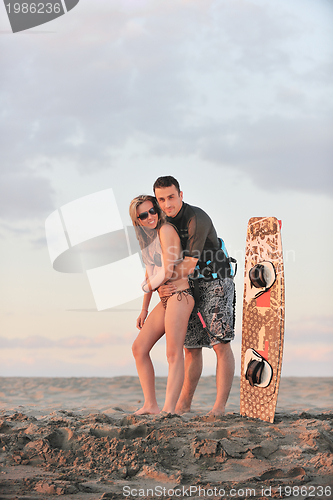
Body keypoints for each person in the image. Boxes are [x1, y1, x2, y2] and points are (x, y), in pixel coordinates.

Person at [153, 176, 236, 415]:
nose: (167, 204)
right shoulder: (164, 223)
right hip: (187, 285)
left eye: (171, 197)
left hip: (215, 280)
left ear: (180, 195)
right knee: (191, 348)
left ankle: (218, 408)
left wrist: (157, 282)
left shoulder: (196, 218)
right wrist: (160, 285)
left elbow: (189, 263)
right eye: (162, 199)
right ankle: (184, 405)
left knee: (220, 343)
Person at [129, 195, 195, 414]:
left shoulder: (165, 230)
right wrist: (144, 308)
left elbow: (167, 271)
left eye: (152, 211)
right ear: (137, 219)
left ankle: (168, 409)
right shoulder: (146, 240)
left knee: (173, 353)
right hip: (164, 297)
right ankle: (150, 404)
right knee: (139, 348)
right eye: (143, 215)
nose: (150, 217)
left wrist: (147, 287)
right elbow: (150, 272)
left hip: (180, 294)